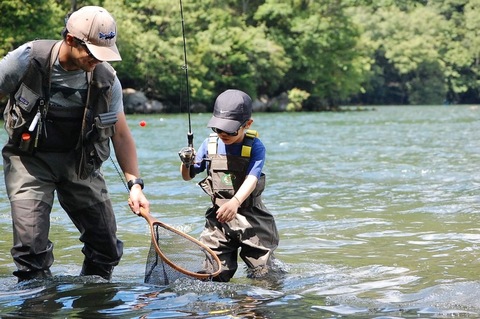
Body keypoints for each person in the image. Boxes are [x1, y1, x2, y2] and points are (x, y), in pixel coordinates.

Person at [0, 6, 149, 282]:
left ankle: (91, 299)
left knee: (106, 249)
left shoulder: (107, 80)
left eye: (103, 54)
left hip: (80, 164)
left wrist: (135, 185)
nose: (97, 60)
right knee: (30, 251)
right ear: (70, 39)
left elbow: (121, 134)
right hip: (29, 162)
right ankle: (37, 304)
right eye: (92, 53)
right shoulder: (26, 60)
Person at [179, 89, 279, 282]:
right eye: (218, 129)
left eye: (230, 130)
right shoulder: (209, 145)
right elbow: (187, 176)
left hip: (252, 217)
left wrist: (235, 202)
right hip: (219, 220)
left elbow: (252, 178)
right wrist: (186, 162)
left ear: (247, 124)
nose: (223, 134)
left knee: (265, 276)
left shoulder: (255, 147)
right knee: (209, 274)